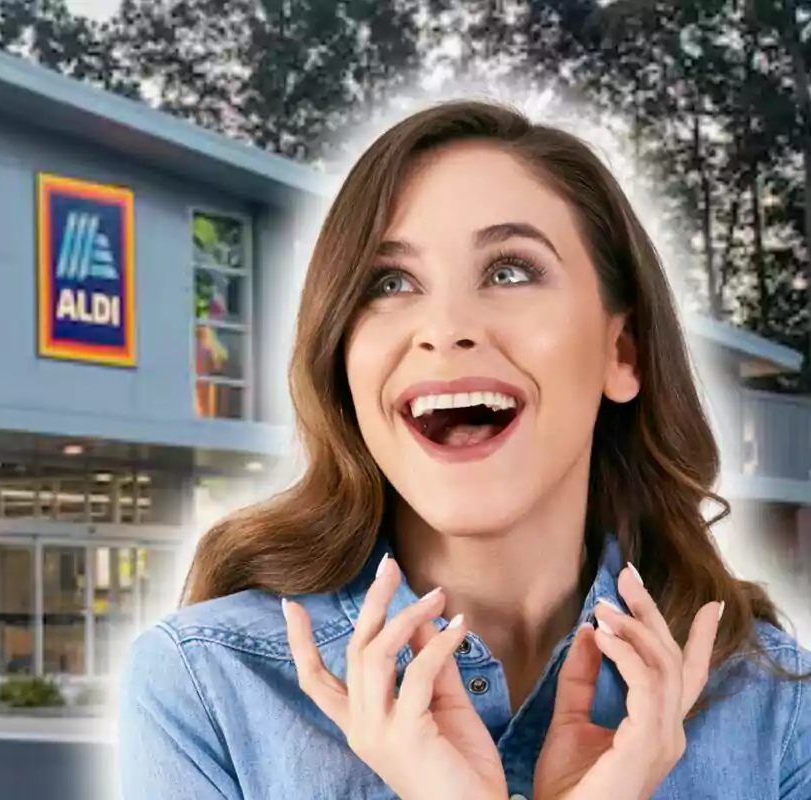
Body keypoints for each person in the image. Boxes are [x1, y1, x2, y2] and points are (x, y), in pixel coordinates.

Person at [116, 99, 811, 799]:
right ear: (343, 360)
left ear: (621, 350)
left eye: (509, 271)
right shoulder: (206, 687)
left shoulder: (775, 708)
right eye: (390, 283)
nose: (444, 328)